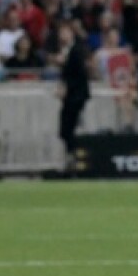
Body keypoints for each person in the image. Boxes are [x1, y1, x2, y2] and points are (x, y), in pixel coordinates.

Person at [52, 21, 91, 173]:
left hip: (76, 96)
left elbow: (80, 74)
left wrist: (67, 88)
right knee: (66, 129)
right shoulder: (67, 50)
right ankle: (71, 158)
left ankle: (75, 159)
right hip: (72, 96)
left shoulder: (77, 50)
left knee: (69, 128)